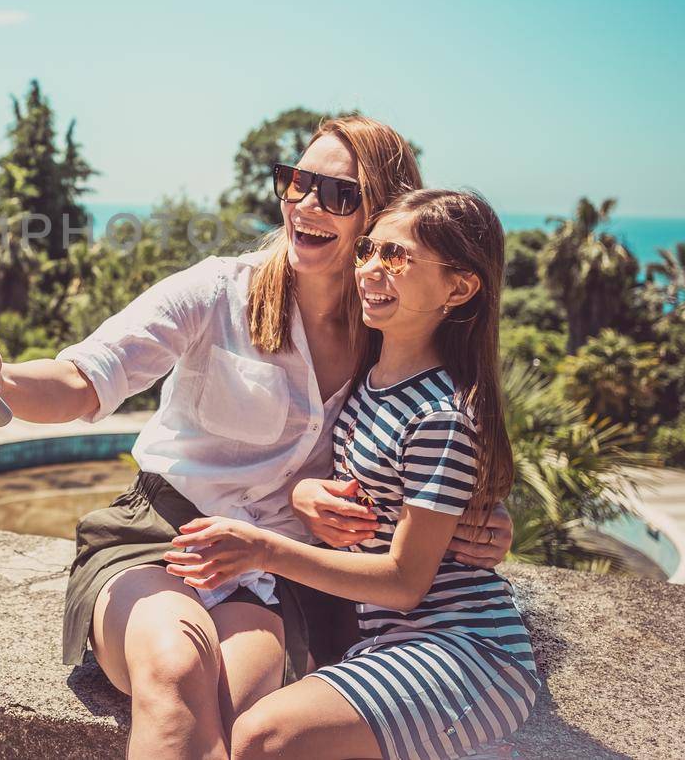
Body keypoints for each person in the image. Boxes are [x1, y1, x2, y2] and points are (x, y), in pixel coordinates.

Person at [0, 118, 514, 760]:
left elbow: (423, 446)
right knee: (174, 670)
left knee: (245, 710)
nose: (306, 203)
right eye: (296, 182)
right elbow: (84, 378)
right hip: (158, 539)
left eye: (337, 193)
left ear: (379, 216)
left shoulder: (390, 330)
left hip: (263, 570)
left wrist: (480, 512)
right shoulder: (218, 291)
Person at [165, 189, 539, 760]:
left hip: (467, 650)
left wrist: (261, 549)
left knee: (261, 740)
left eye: (396, 257)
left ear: (459, 289)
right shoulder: (374, 385)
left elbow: (403, 582)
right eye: (368, 250)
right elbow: (369, 495)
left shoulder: (441, 414)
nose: (368, 269)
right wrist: (306, 490)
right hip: (393, 641)